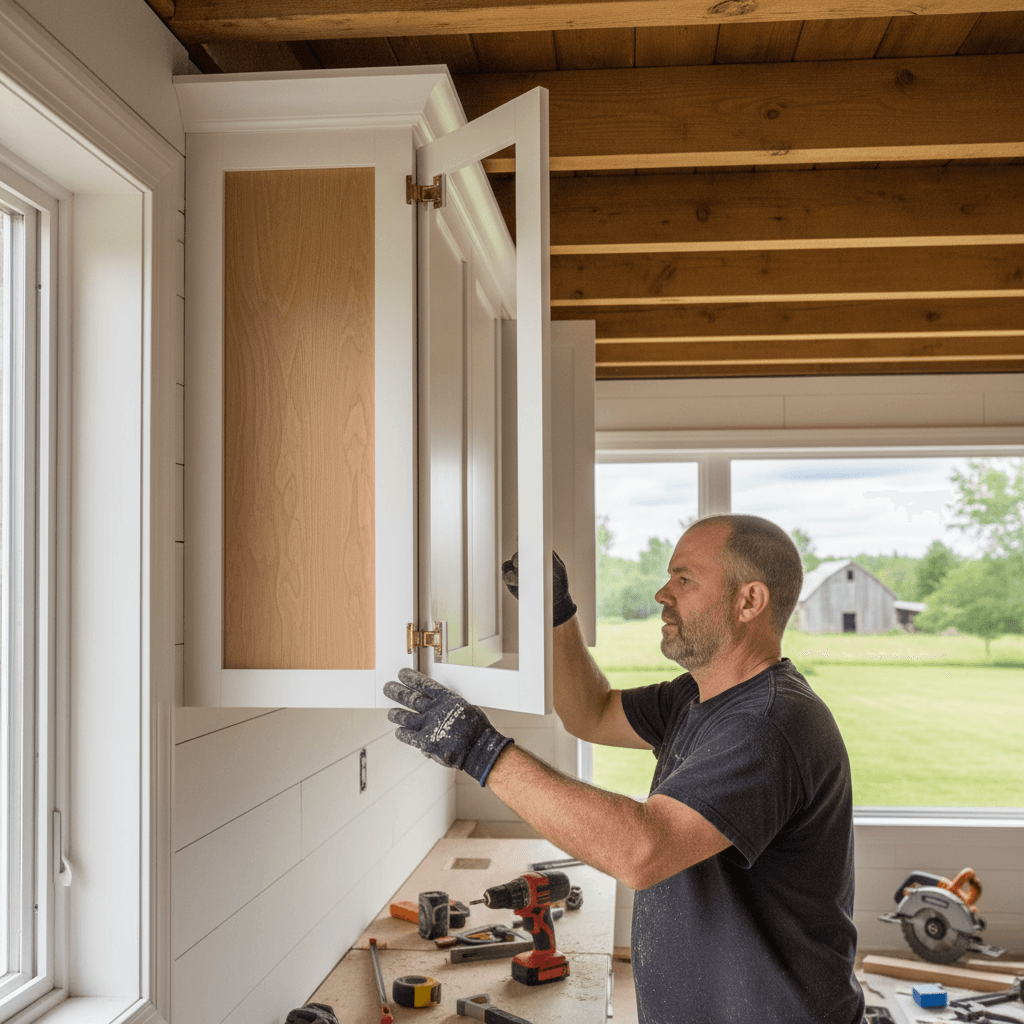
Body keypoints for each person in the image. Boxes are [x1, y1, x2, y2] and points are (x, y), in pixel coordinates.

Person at [384, 514, 864, 1024]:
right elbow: (589, 711)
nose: (663, 593)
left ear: (749, 601)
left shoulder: (768, 724)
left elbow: (643, 850)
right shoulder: (699, 697)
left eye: (684, 579)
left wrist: (481, 752)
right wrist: (557, 614)